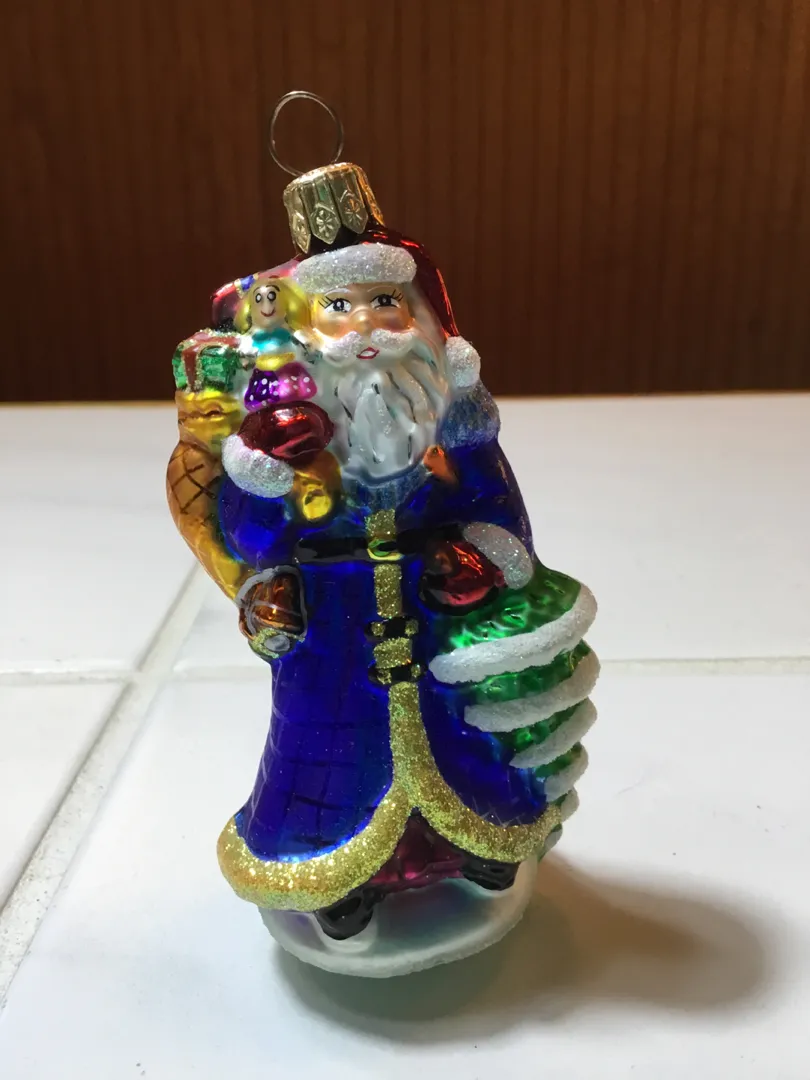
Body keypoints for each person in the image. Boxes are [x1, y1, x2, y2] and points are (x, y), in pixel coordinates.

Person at [206, 163, 599, 949]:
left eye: (384, 302)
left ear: (417, 318)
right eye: (338, 308)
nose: (365, 328)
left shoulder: (454, 429)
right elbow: (248, 532)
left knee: (462, 737)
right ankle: (335, 871)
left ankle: (478, 842)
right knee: (328, 752)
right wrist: (264, 558)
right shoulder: (286, 442)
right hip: (332, 629)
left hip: (434, 613)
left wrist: (485, 558)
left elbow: (497, 508)